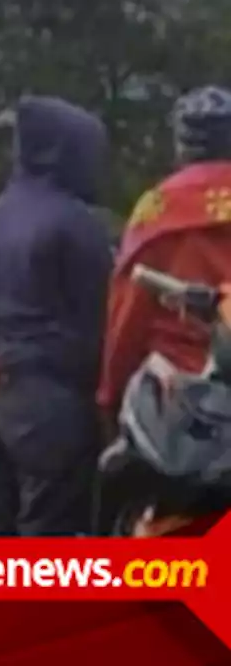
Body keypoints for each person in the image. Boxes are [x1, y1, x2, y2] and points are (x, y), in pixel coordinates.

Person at [0, 96, 115, 538]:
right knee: (46, 548)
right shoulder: (79, 225)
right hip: (57, 408)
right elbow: (106, 324)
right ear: (66, 151)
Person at [98, 86, 231, 434]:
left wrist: (110, 396)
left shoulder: (156, 210)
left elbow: (128, 316)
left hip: (177, 400)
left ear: (181, 145)